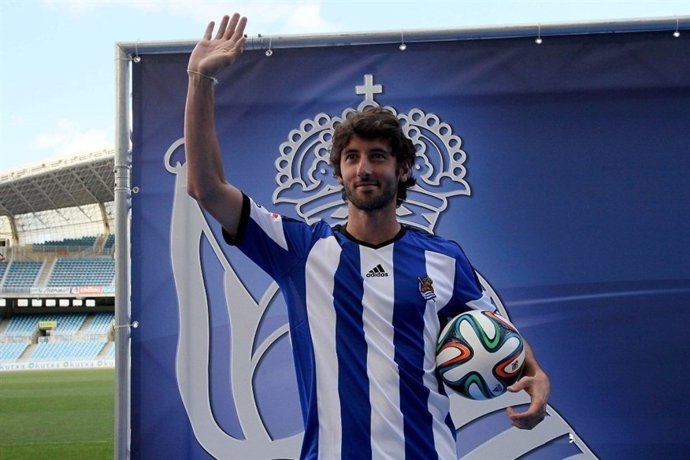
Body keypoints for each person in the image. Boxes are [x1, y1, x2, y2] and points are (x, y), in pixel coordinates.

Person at [185, 13, 550, 460]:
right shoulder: (298, 248)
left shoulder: (444, 259)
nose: (364, 169)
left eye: (378, 156)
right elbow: (204, 186)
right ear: (338, 173)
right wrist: (200, 79)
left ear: (403, 169)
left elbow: (496, 331)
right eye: (352, 158)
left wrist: (534, 372)